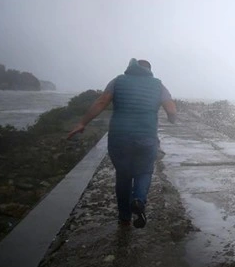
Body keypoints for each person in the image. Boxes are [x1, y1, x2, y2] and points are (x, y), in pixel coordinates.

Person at [67, 58, 177, 228]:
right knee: (144, 172)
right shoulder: (158, 85)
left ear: (130, 68)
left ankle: (124, 218)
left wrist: (82, 123)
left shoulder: (118, 81)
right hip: (146, 137)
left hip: (120, 137)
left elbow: (102, 102)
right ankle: (139, 200)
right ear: (149, 70)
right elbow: (170, 108)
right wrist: (172, 118)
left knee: (123, 176)